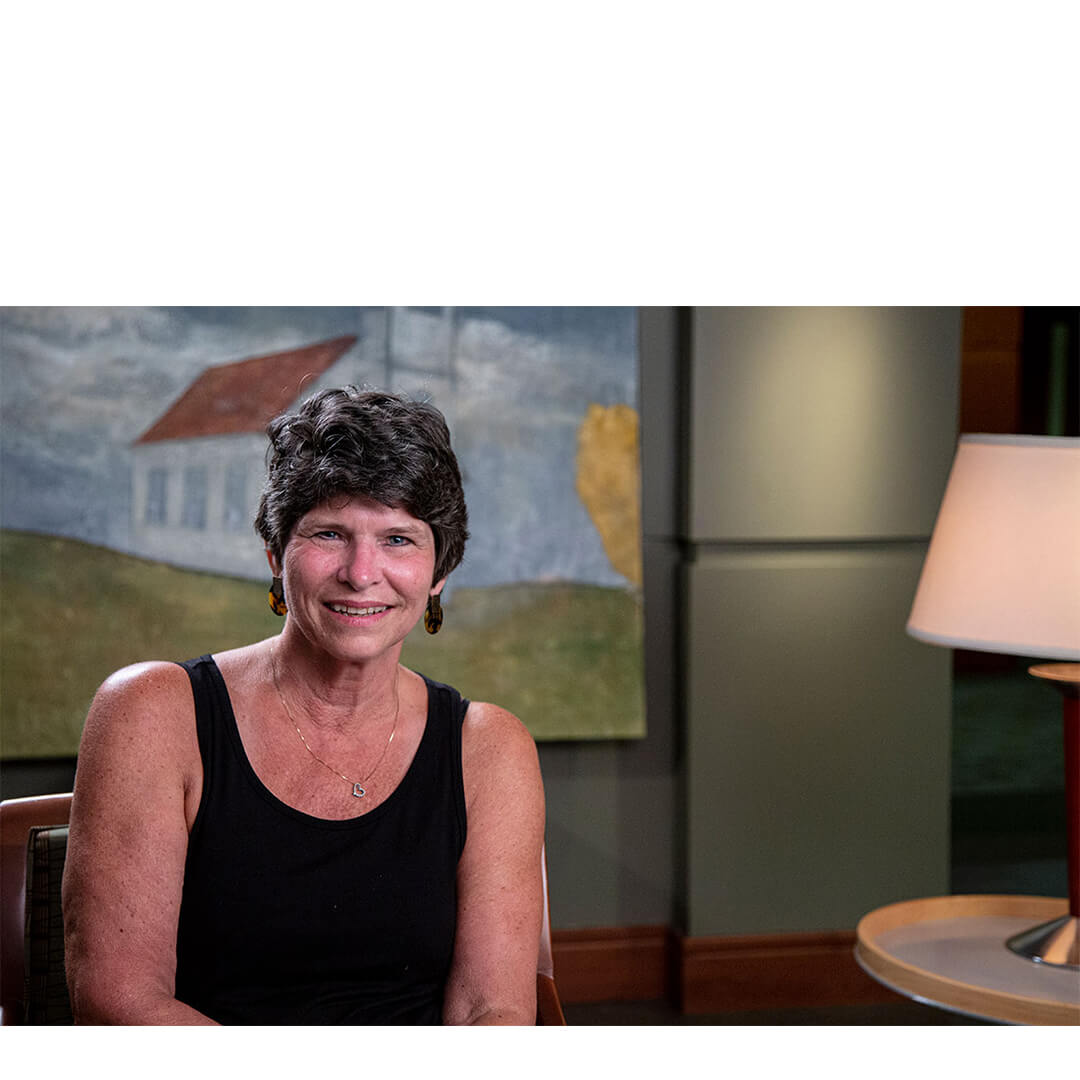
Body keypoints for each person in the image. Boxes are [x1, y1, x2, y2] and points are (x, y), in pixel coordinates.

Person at [62, 387, 546, 1025]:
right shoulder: (151, 714)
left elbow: (493, 1013)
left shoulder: (489, 747)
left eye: (399, 539)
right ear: (275, 553)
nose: (361, 571)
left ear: (440, 574)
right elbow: (119, 1006)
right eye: (329, 533)